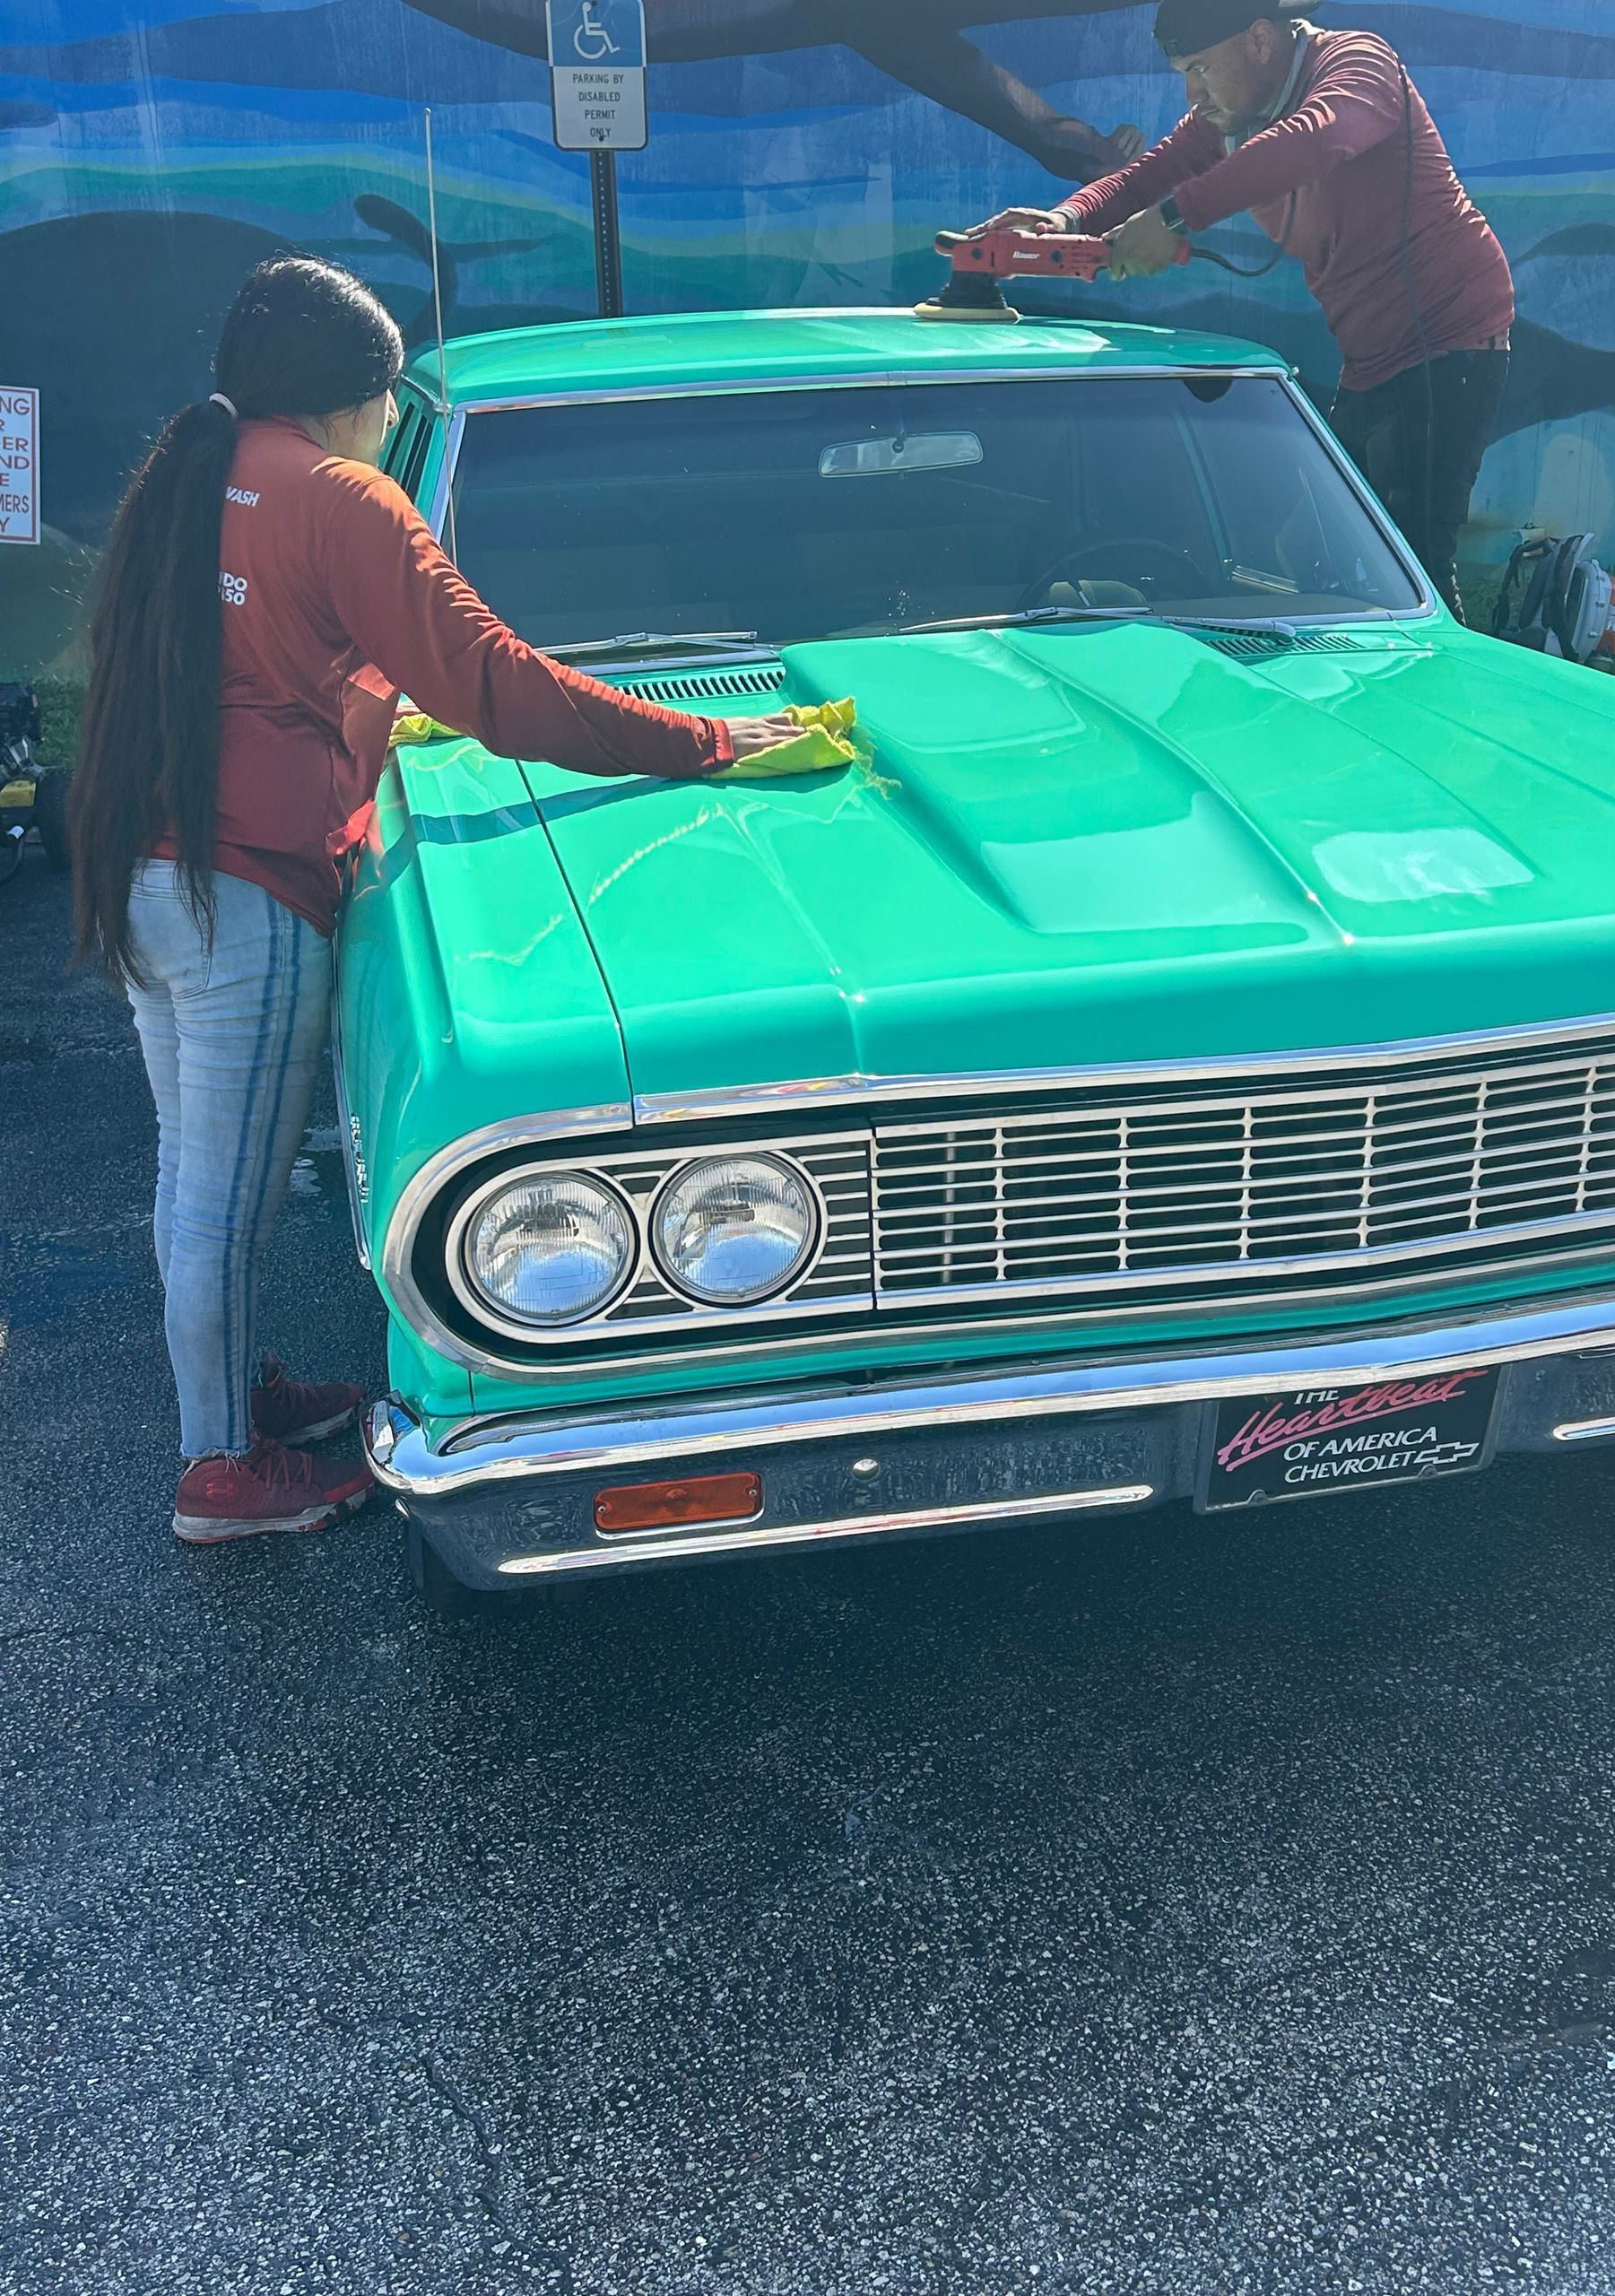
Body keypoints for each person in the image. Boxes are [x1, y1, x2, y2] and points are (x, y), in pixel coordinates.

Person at [69, 256, 795, 1550]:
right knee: (221, 1201)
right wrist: (703, 743)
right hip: (247, 891)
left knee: (193, 1175)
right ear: (359, 400)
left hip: (148, 873)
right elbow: (495, 684)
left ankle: (233, 1400)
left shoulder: (193, 476)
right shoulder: (342, 497)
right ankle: (219, 1473)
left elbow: (249, 669)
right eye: (389, 401)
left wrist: (362, 707)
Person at [972, 0, 1514, 615]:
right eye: (1183, 70)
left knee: (1412, 566)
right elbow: (1147, 176)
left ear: (1259, 40)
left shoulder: (1359, 64)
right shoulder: (1233, 112)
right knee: (1326, 559)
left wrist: (1174, 216)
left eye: (1200, 67)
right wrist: (1061, 220)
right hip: (1370, 357)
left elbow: (1319, 137)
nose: (1191, 90)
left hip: (1449, 341)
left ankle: (1445, 699)